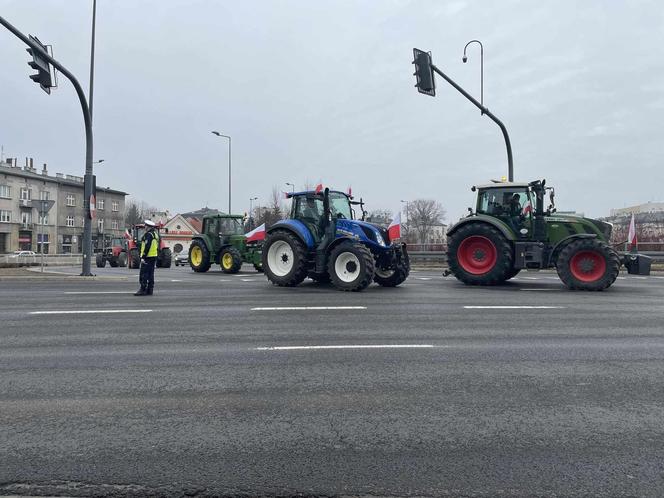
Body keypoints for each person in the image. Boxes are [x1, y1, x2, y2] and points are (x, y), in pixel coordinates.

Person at [134, 220, 159, 296]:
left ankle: (143, 289)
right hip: (153, 256)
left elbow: (147, 246)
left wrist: (143, 256)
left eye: (145, 226)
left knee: (144, 273)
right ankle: (150, 290)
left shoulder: (148, 235)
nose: (145, 227)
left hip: (147, 257)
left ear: (148, 227)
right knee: (151, 274)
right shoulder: (154, 234)